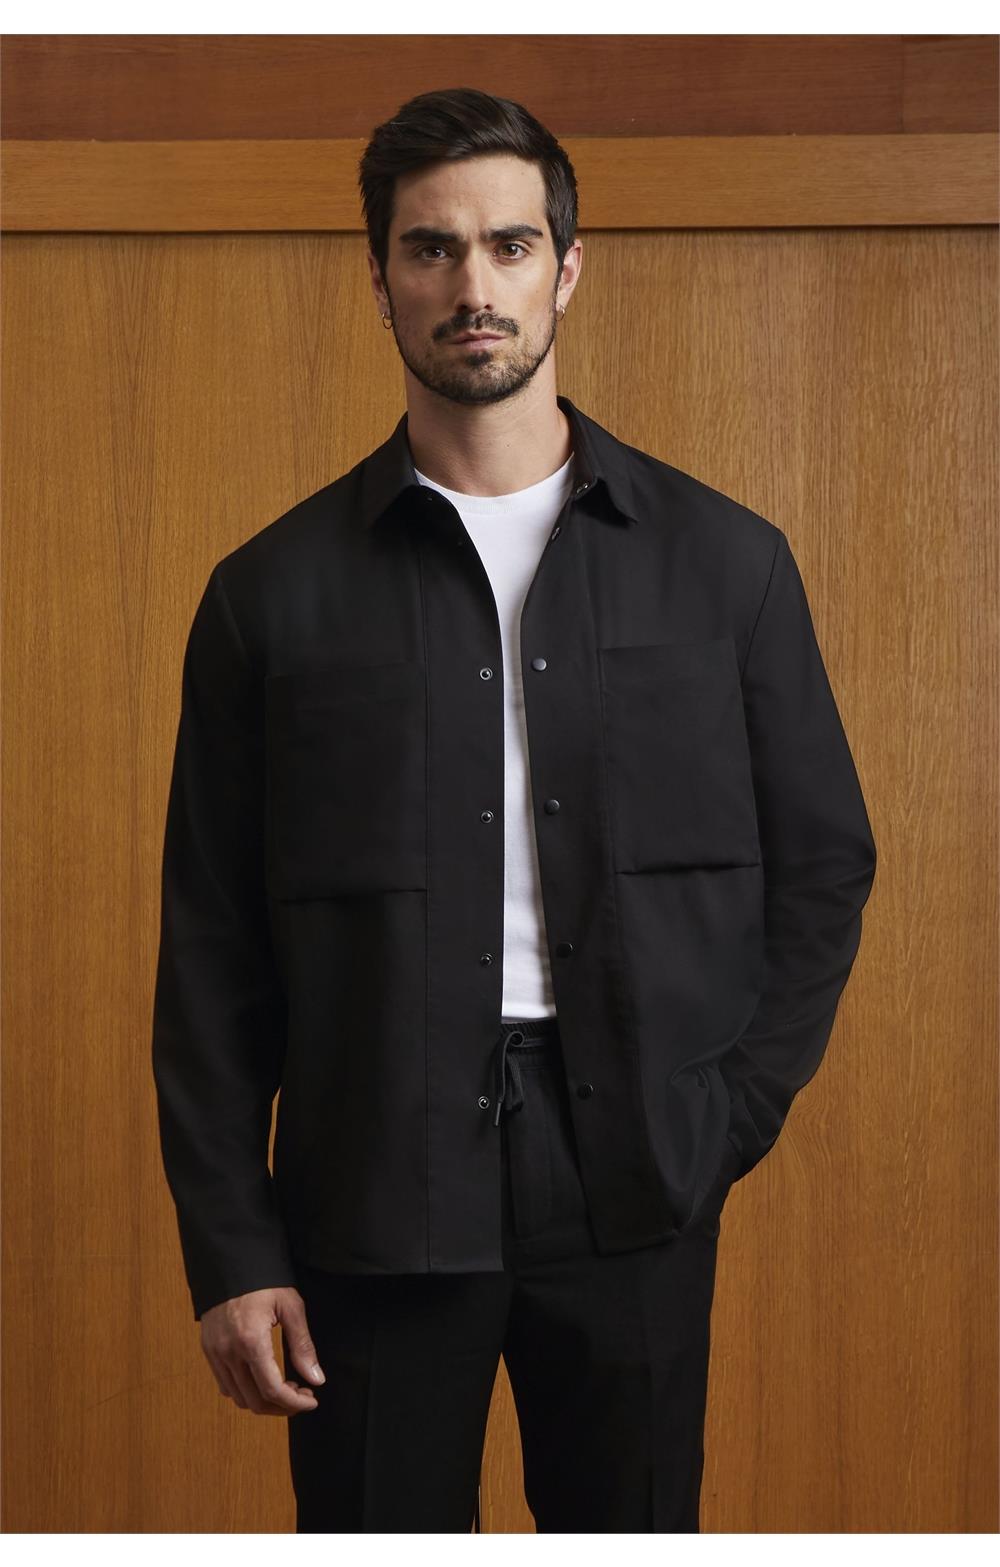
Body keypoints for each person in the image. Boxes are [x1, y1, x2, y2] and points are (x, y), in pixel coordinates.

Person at [151, 86, 877, 1533]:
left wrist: (725, 1113)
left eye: (509, 244)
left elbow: (822, 864)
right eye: (430, 249)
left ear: (567, 266)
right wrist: (235, 1247)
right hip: (369, 1177)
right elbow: (209, 950)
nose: (471, 285)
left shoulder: (727, 567)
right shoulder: (270, 596)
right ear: (381, 277)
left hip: (635, 1177)